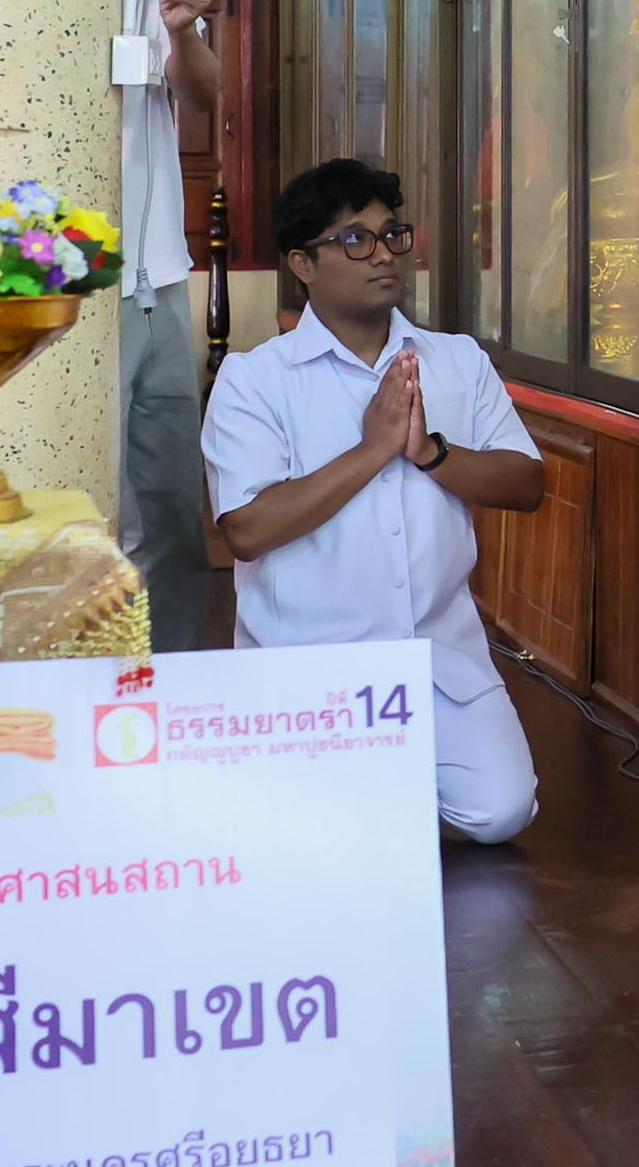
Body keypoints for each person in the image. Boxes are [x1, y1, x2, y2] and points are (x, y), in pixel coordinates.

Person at [203, 159, 550, 841]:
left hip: (438, 660)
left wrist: (431, 454)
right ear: (304, 263)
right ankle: (354, 792)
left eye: (394, 235)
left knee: (500, 812)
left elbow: (526, 483)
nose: (384, 255)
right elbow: (245, 529)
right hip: (309, 662)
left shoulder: (455, 360)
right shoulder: (255, 380)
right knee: (301, 832)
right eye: (355, 241)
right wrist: (373, 450)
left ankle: (374, 795)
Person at [118, 0, 224, 652]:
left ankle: (176, 672)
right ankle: (85, 681)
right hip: (74, 278)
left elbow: (207, 95)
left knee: (172, 502)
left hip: (157, 272)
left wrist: (182, 32)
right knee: (103, 506)